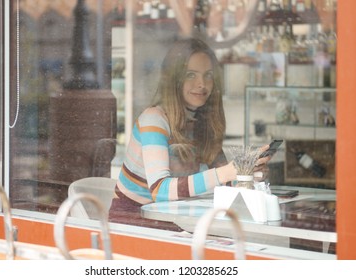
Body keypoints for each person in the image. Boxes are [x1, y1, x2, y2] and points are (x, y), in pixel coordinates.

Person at [109, 37, 271, 230]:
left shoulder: (203, 122)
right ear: (175, 79)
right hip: (133, 223)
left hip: (177, 220)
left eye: (208, 75)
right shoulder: (154, 119)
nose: (202, 84)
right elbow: (160, 190)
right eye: (191, 75)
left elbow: (224, 182)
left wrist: (247, 176)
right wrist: (225, 173)